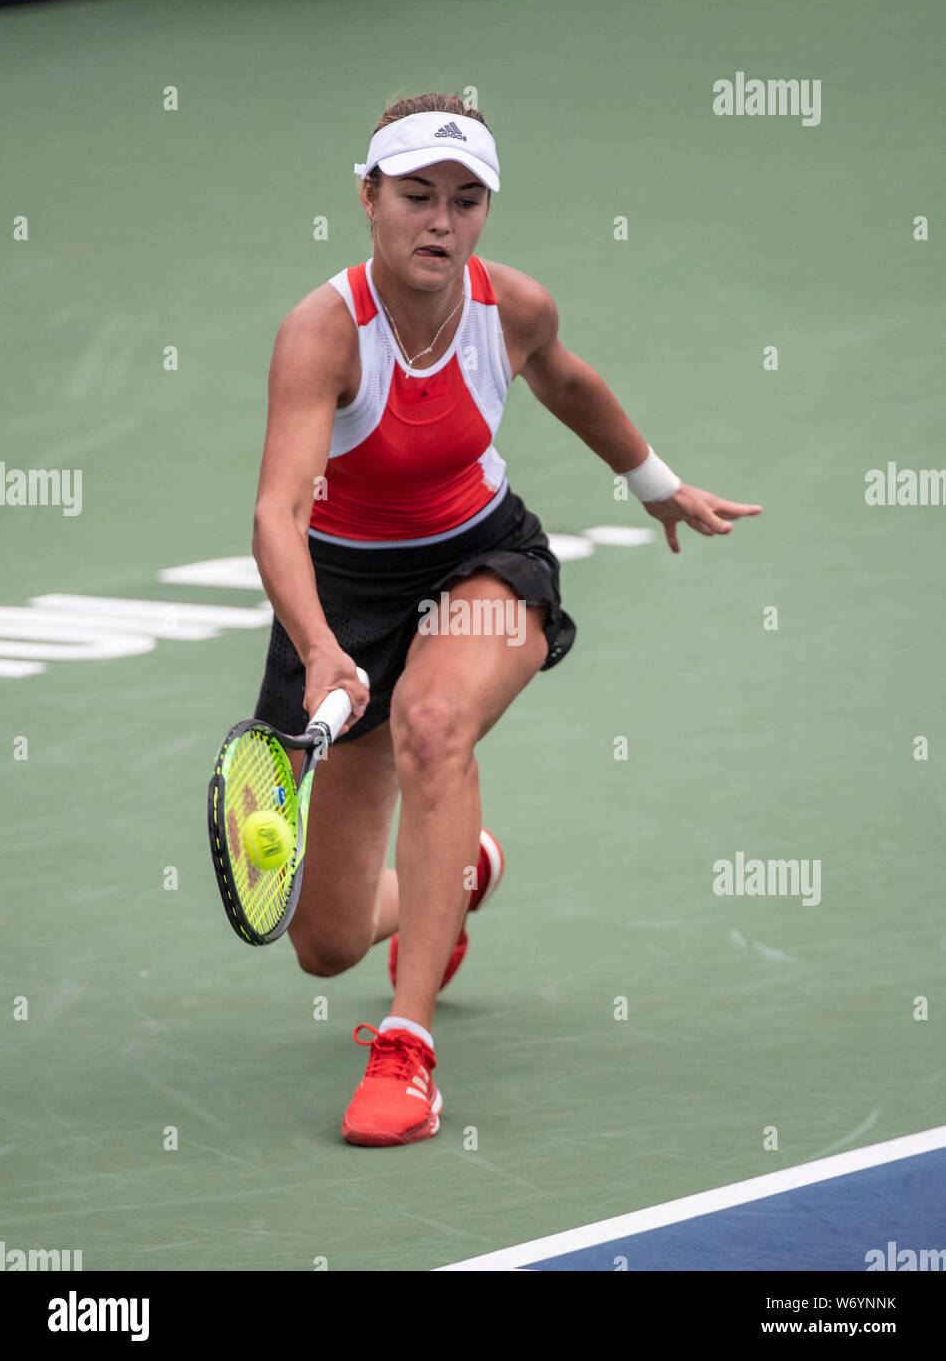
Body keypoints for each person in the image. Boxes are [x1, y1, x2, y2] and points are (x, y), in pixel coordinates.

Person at [250, 93, 762, 1147]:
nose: (440, 220)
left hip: (482, 561)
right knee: (327, 939)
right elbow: (279, 512)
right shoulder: (322, 333)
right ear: (369, 198)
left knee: (436, 724)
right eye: (416, 196)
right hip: (344, 598)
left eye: (466, 199)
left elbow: (568, 383)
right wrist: (319, 650)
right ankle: (461, 869)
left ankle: (409, 1049)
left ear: (486, 211)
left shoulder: (512, 307)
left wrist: (655, 482)